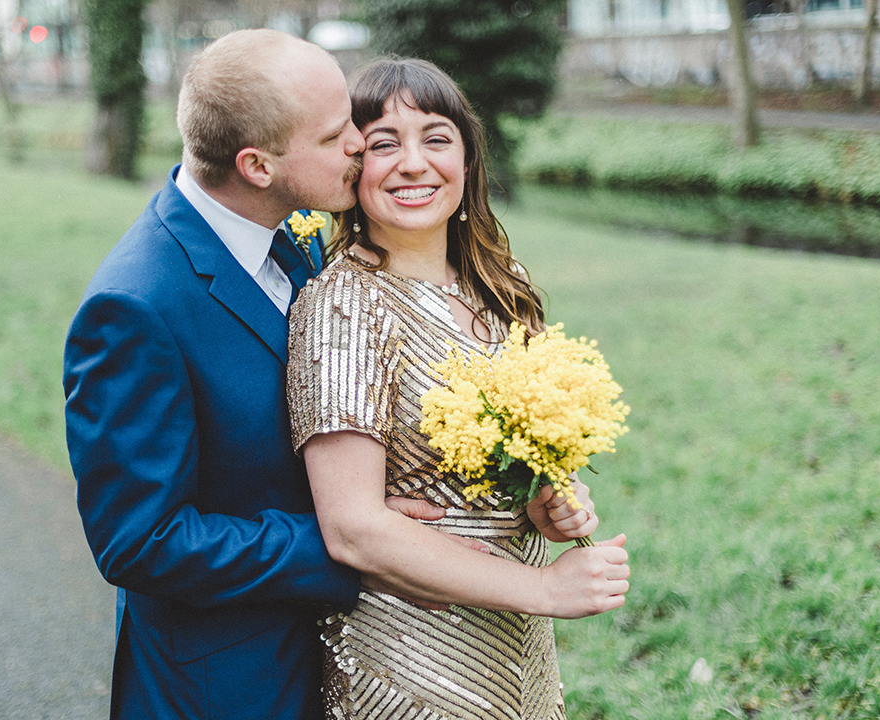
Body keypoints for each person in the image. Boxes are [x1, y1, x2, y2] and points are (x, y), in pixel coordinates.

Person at [63, 31, 462, 720]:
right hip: (229, 684)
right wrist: (345, 542)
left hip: (352, 659)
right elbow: (141, 543)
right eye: (338, 135)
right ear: (257, 164)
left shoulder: (299, 238)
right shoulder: (133, 308)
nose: (360, 147)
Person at [287, 58, 631, 720]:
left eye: (436, 138)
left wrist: (554, 501)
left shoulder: (502, 286)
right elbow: (353, 528)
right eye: (383, 143)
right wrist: (545, 588)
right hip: (408, 656)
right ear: (352, 166)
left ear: (468, 158)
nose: (413, 163)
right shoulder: (343, 304)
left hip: (518, 647)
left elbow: (513, 462)